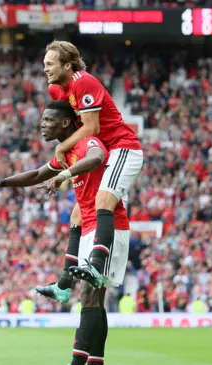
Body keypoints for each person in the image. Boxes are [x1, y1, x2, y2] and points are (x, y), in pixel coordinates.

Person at [0, 101, 131, 365]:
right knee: (94, 301)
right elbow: (36, 175)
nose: (42, 124)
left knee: (90, 299)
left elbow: (97, 156)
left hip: (106, 227)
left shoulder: (85, 142)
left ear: (66, 123)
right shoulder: (67, 152)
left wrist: (65, 175)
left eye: (48, 119)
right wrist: (1, 183)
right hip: (90, 227)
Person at [43, 40, 143, 290]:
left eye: (50, 63)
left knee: (103, 200)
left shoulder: (82, 81)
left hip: (122, 147)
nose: (45, 68)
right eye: (44, 64)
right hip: (102, 152)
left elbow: (91, 128)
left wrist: (62, 147)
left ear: (67, 65)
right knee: (78, 213)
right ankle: (64, 285)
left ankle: (97, 265)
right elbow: (69, 124)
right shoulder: (57, 90)